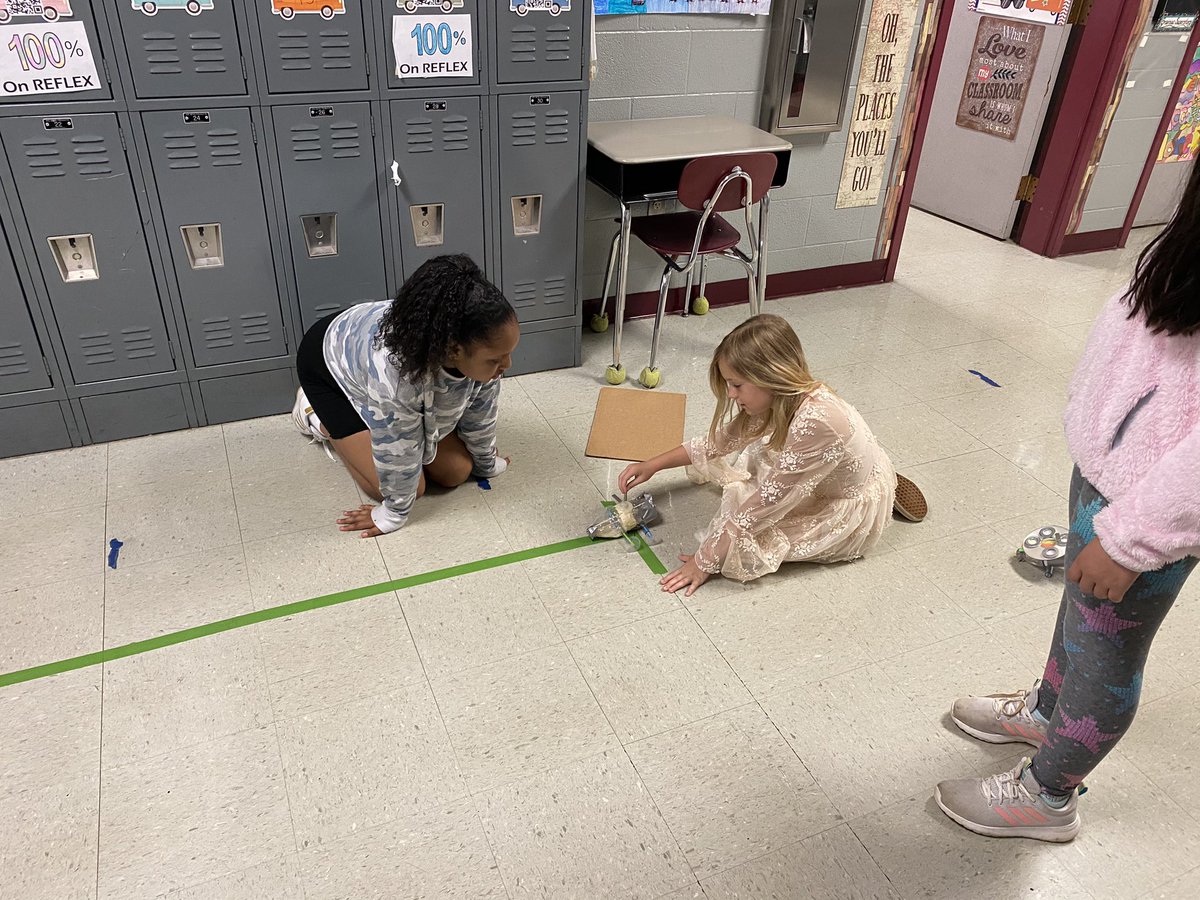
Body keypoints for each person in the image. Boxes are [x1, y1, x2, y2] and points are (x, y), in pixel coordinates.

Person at [935, 163, 1200, 843]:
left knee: (1107, 654)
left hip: (1155, 507)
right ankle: (1050, 710)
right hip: (1116, 469)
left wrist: (1134, 538)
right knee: (1079, 624)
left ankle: (1048, 797)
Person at [618, 314, 901, 596]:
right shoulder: (782, 397)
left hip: (842, 506)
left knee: (754, 543)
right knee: (759, 460)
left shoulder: (817, 420)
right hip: (834, 458)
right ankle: (849, 464)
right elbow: (719, 442)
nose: (730, 394)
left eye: (737, 385)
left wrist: (704, 561)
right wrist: (653, 464)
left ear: (769, 376)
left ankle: (868, 486)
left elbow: (765, 504)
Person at [291, 255, 519, 538]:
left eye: (509, 353)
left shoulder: (483, 350)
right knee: (414, 489)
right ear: (453, 350)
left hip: (368, 351)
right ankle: (315, 416)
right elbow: (397, 445)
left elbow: (481, 412)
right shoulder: (397, 375)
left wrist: (487, 464)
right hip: (328, 367)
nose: (507, 365)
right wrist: (393, 513)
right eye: (497, 359)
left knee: (457, 471)